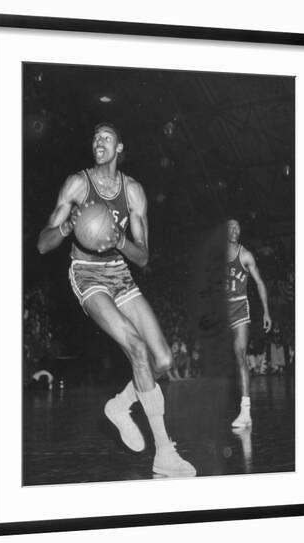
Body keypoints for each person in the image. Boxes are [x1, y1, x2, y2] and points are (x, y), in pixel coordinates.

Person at [37, 122, 196, 477]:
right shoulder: (77, 184)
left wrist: (117, 239)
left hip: (120, 273)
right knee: (138, 349)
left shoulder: (134, 192)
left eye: (106, 137)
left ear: (119, 148)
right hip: (86, 275)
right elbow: (42, 243)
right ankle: (165, 453)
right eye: (95, 136)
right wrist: (65, 228)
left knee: (165, 358)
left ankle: (120, 406)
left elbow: (143, 258)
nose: (98, 141)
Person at [226, 219, 272, 427]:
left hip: (238, 308)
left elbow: (260, 282)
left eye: (238, 227)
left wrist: (266, 312)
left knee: (240, 353)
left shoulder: (245, 255)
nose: (235, 230)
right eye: (230, 227)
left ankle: (246, 413)